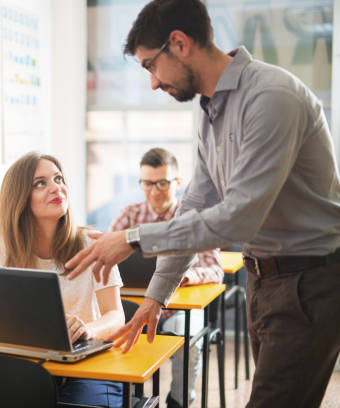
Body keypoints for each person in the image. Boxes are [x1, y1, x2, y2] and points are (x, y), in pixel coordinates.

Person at [65, 1, 340, 407]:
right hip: (262, 279)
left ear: (178, 43)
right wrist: (156, 297)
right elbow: (195, 206)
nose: (153, 84)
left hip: (308, 281)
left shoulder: (271, 97)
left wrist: (135, 238)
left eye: (150, 66)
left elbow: (237, 219)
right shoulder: (211, 109)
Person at [0, 151, 125, 408]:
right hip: (30, 364)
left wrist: (88, 331)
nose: (56, 187)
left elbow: (117, 317)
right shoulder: (7, 249)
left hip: (89, 366)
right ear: (19, 199)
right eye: (40, 183)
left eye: (58, 178)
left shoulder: (93, 243)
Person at [109, 147, 223, 408]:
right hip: (133, 306)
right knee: (108, 329)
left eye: (162, 183)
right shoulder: (130, 214)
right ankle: (128, 400)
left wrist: (186, 275)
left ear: (178, 182)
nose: (154, 191)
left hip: (175, 309)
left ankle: (179, 400)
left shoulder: (193, 215)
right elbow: (108, 256)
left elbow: (215, 270)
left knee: (188, 340)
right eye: (147, 183)